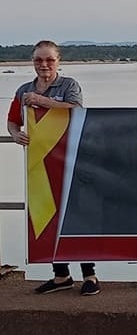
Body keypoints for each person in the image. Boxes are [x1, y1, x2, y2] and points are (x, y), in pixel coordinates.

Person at [6, 40, 101, 296]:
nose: (44, 65)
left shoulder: (69, 85)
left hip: (71, 160)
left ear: (58, 61)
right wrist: (15, 135)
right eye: (39, 60)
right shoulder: (23, 89)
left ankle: (89, 274)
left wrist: (41, 101)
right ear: (32, 62)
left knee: (76, 214)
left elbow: (76, 109)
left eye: (49, 59)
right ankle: (61, 275)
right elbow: (13, 121)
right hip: (40, 164)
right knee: (46, 215)